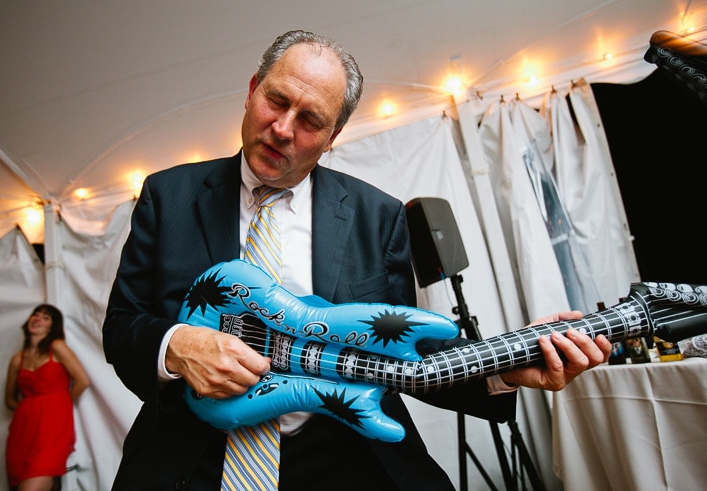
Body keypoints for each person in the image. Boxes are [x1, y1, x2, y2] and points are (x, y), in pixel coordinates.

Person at [103, 30, 611, 490]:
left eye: (310, 121)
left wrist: (507, 366)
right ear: (253, 88)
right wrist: (175, 346)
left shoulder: (378, 215)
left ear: (333, 137)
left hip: (343, 458)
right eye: (275, 100)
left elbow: (404, 351)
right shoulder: (166, 196)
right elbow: (122, 327)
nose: (282, 128)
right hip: (194, 462)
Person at [4, 304, 91, 491]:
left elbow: (82, 381)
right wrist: (28, 408)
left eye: (45, 317)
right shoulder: (17, 360)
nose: (37, 318)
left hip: (52, 428)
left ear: (52, 326)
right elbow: (9, 400)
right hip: (22, 431)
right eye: (35, 314)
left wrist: (59, 403)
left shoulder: (57, 347)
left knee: (33, 484)